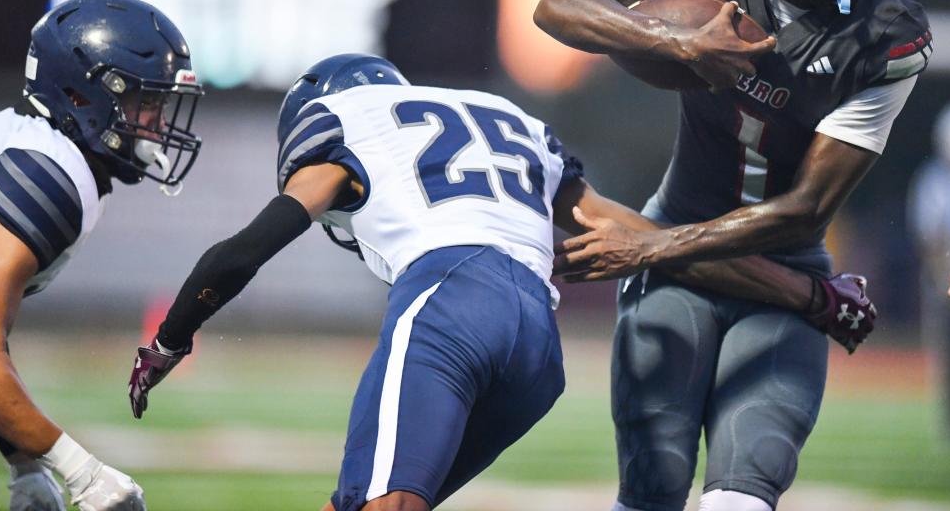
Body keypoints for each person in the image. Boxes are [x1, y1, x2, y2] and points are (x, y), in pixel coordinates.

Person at [127, 53, 874, 511]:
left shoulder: (347, 122)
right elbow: (654, 243)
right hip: (534, 349)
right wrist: (809, 292)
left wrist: (167, 340)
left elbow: (243, 251)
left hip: (448, 301)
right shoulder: (502, 119)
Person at [534, 0, 930, 510]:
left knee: (744, 491)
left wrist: (647, 249)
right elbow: (558, 4)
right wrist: (679, 41)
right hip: (687, 264)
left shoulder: (882, 38)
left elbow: (804, 212)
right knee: (652, 485)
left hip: (773, 263)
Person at [0, 0, 203, 511]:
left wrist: (23, 461)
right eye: (146, 104)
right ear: (83, 96)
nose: (156, 126)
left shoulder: (39, 154)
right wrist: (80, 473)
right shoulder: (47, 176)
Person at [908, 102, 950, 443]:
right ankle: (949, 424)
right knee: (947, 356)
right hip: (944, 282)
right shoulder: (933, 179)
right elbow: (929, 237)